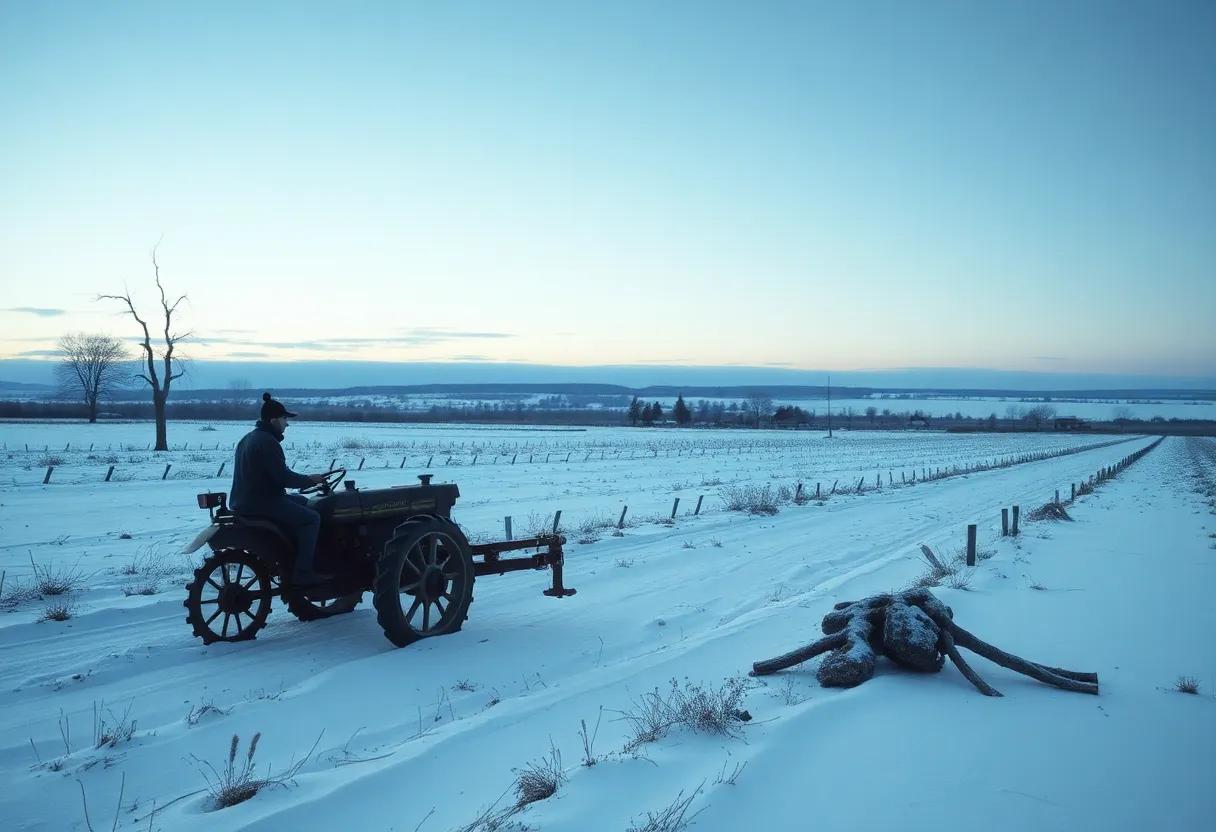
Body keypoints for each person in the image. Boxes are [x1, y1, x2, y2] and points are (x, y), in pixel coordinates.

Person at [230, 393, 330, 585]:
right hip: (262, 502)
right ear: (273, 420)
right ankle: (303, 572)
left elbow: (273, 476)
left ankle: (294, 553)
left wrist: (307, 481)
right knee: (312, 518)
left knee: (305, 502)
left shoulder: (248, 438)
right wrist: (310, 480)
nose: (287, 424)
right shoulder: (268, 442)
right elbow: (284, 478)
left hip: (245, 499)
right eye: (284, 419)